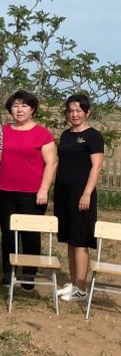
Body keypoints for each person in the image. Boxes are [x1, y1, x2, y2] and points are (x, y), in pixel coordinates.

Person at [0, 90, 56, 288]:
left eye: (24, 106)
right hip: (4, 191)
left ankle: (29, 275)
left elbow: (51, 164)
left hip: (32, 194)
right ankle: (9, 273)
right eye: (15, 105)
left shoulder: (42, 134)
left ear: (32, 110)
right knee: (8, 234)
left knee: (30, 234)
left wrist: (43, 189)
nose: (19, 110)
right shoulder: (2, 131)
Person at [53, 94, 104, 302]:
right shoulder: (66, 135)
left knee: (80, 240)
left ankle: (81, 289)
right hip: (63, 193)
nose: (74, 114)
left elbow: (96, 166)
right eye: (71, 111)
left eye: (78, 111)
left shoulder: (93, 136)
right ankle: (74, 283)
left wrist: (86, 193)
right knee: (69, 238)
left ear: (87, 112)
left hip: (82, 194)